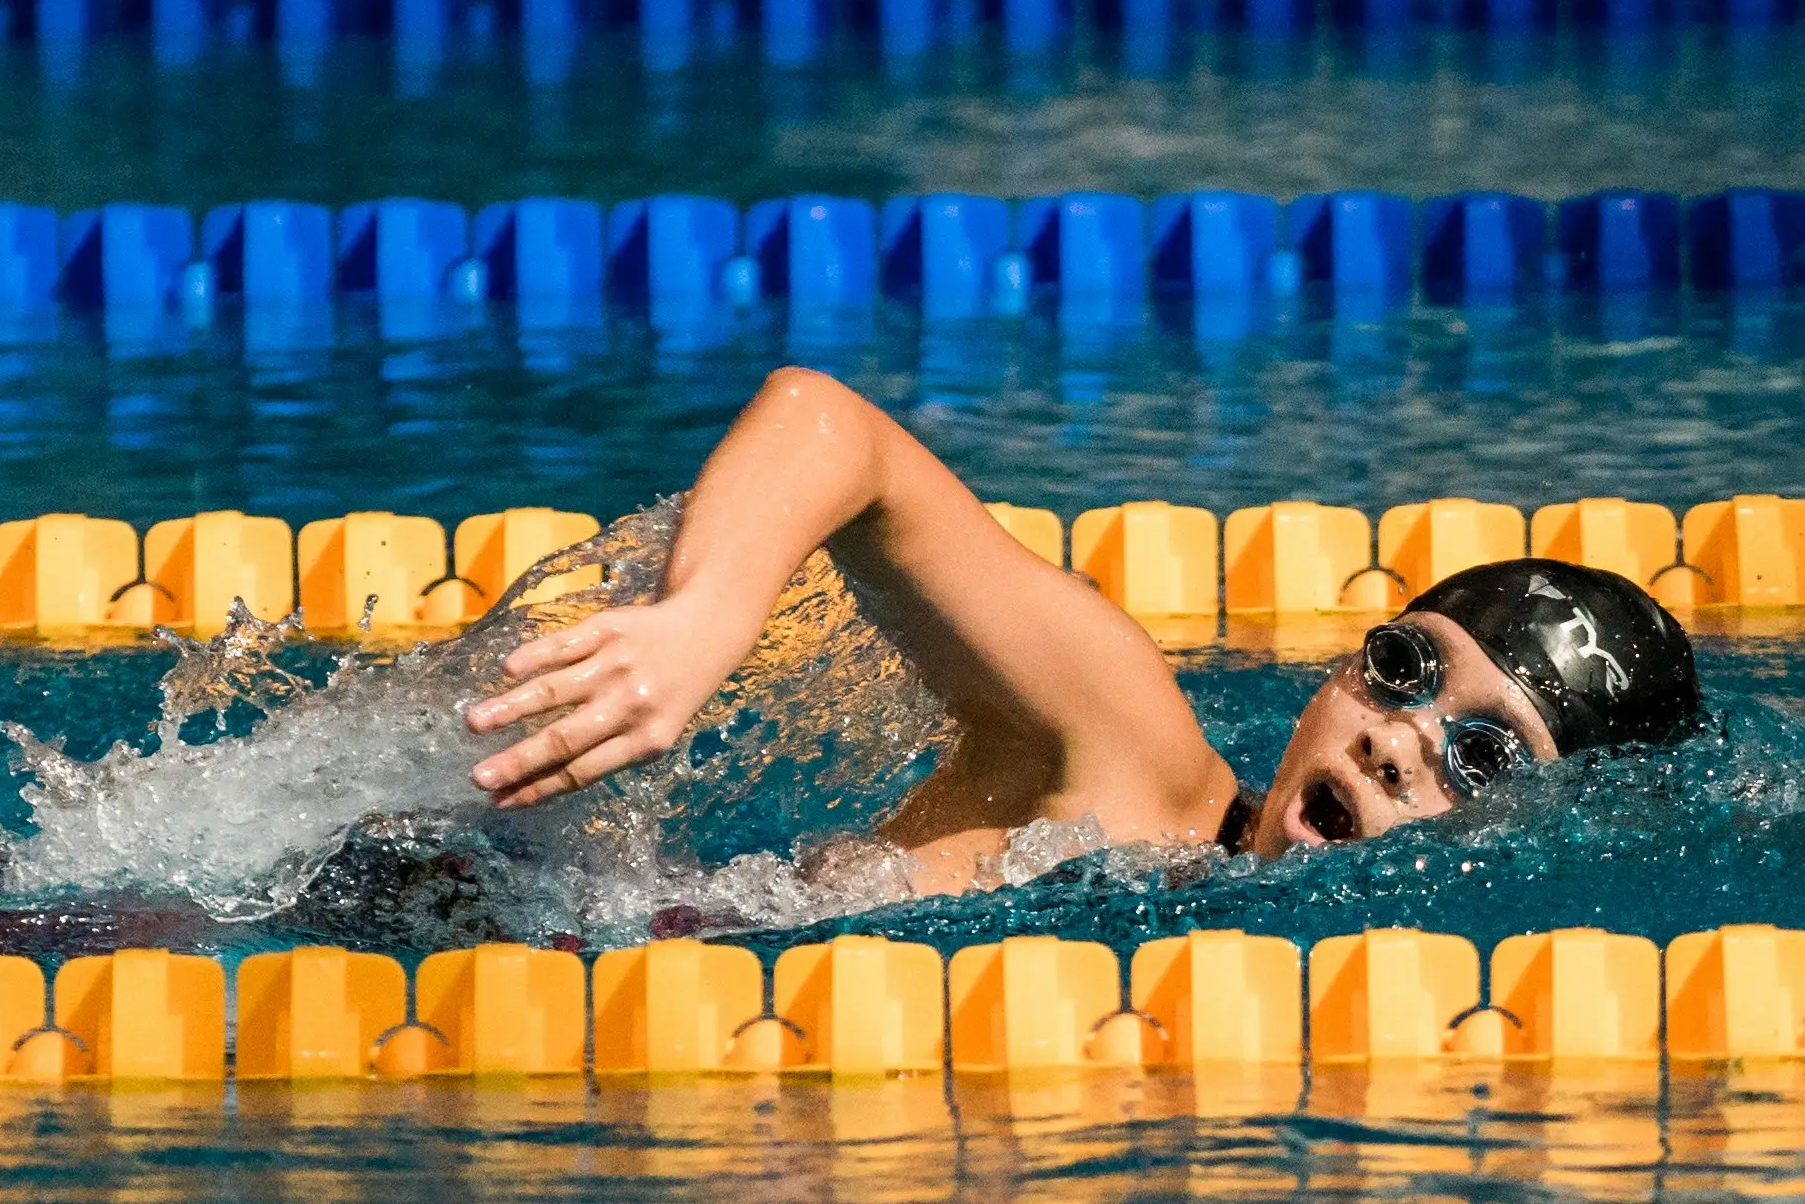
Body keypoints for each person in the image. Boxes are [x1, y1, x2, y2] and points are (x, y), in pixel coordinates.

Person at [462, 364, 1702, 875]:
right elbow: (828, 424)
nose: (1400, 738)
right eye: (1402, 666)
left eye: (1481, 753)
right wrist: (701, 619)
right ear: (1336, 668)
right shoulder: (1131, 756)